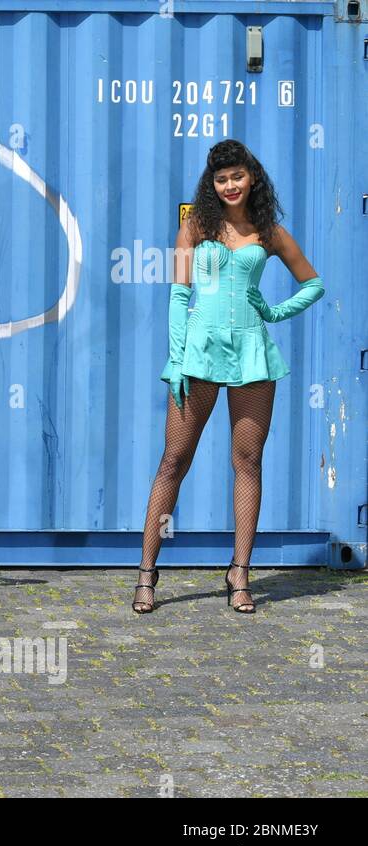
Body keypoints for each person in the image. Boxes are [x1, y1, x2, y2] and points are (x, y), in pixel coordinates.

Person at [134, 139, 324, 614]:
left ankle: (239, 573)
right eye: (221, 179)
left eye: (237, 176)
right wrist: (176, 360)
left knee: (248, 463)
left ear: (251, 177)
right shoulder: (194, 226)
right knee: (173, 461)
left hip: (252, 357)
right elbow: (179, 295)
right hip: (197, 355)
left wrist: (275, 312)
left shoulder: (270, 232)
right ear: (211, 185)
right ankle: (146, 572)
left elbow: (314, 283)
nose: (230, 185)